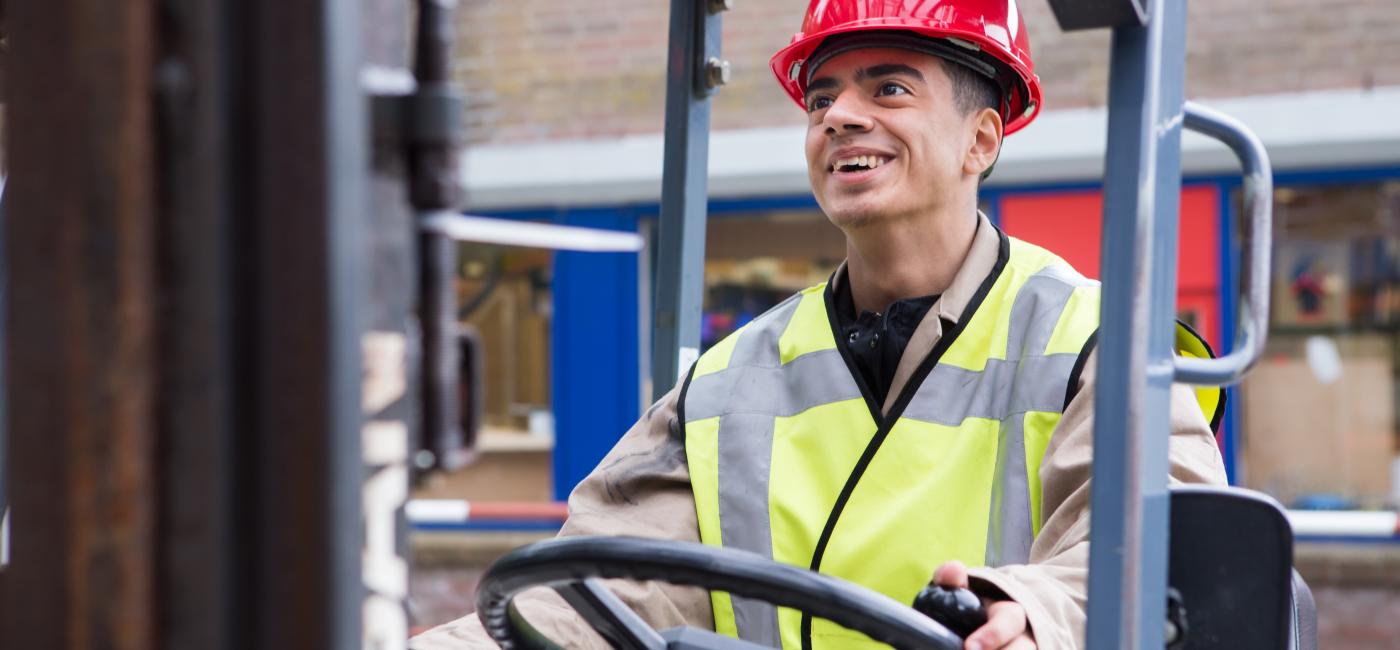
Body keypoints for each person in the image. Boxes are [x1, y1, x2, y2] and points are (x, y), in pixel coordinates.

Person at [412, 1, 1227, 648]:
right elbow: (594, 593)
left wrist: (1029, 609)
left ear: (981, 139)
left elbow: (1159, 559)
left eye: (888, 89)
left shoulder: (1092, 340)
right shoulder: (729, 381)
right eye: (822, 97)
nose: (840, 116)